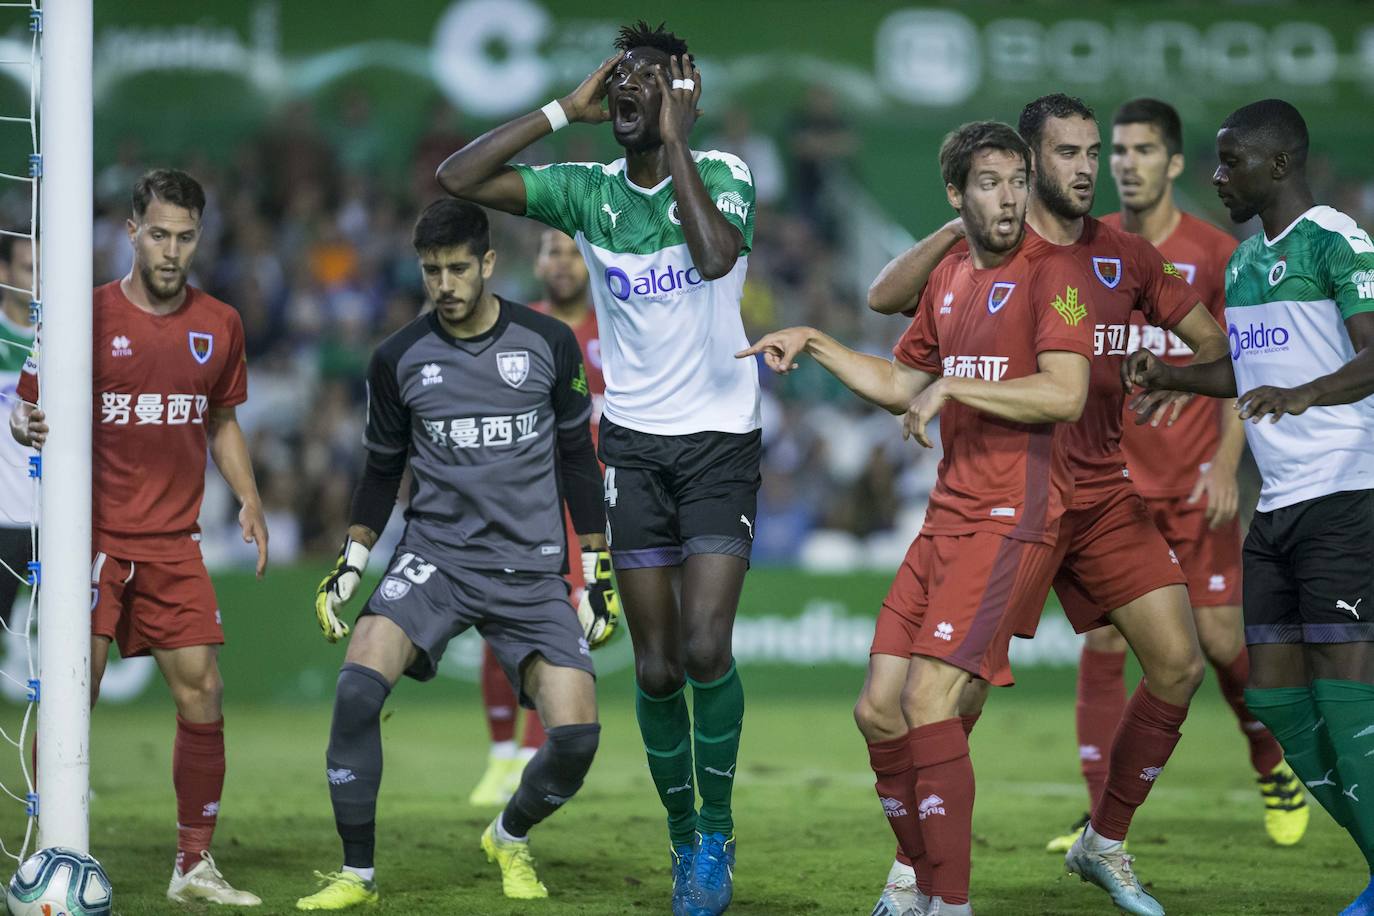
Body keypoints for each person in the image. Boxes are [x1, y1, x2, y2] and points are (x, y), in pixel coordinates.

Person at [867, 95, 1231, 916]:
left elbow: (1214, 346)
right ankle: (913, 869)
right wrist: (961, 220)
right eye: (1067, 154)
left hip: (1100, 494)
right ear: (1030, 165)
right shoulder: (993, 249)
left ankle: (1103, 842)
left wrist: (1172, 375)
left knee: (1179, 663)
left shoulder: (1127, 256)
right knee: (952, 699)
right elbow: (886, 296)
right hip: (1010, 498)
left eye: (1092, 152)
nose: (1087, 169)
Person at [436, 21, 760, 916]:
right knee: (656, 669)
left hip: (721, 442)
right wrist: (557, 110)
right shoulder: (587, 193)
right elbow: (456, 180)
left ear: (683, 93)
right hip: (635, 446)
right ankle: (682, 835)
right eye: (618, 80)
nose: (626, 91)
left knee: (704, 648)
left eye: (647, 81)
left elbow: (712, 257)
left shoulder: (725, 173)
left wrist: (681, 144)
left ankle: (718, 829)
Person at [744, 120, 1093, 916]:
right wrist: (819, 343)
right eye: (989, 183)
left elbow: (1065, 394)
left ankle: (948, 901)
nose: (1008, 198)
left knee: (929, 704)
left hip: (1013, 516)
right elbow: (907, 381)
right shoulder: (951, 276)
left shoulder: (1057, 276)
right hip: (947, 518)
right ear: (956, 196)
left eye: (1017, 180)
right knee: (877, 709)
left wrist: (959, 389)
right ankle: (916, 875)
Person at [296, 200, 615, 909]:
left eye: (457, 269)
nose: (444, 283)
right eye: (432, 270)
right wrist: (352, 559)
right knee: (355, 691)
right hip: (435, 558)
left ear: (488, 264)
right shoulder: (398, 358)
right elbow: (381, 470)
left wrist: (595, 568)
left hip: (530, 566)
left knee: (577, 738)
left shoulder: (548, 342)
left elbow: (577, 459)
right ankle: (358, 875)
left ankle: (508, 835)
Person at [1124, 98, 1374, 916]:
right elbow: (1240, 371)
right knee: (1271, 698)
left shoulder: (1335, 240)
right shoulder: (1239, 264)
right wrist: (1171, 376)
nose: (1217, 176)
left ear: (1278, 165)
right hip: (1278, 513)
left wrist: (1304, 394)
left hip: (1346, 493)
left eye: (1229, 163)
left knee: (1345, 699)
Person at [1043, 97, 1307, 853]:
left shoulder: (1216, 253)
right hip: (1106, 488)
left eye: (1141, 151)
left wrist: (1227, 463)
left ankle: (1269, 761)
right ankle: (1100, 821)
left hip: (1194, 487)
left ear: (1175, 163)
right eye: (1115, 151)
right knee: (1102, 645)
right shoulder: (1084, 251)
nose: (1124, 164)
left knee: (1222, 643)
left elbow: (1244, 360)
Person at [9, 169, 268, 905]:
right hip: (90, 540)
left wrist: (249, 497)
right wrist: (24, 423)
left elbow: (221, 420)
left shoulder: (218, 324)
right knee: (71, 695)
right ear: (131, 232)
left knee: (204, 691)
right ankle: (42, 849)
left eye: (185, 237)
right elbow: (25, 408)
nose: (171, 250)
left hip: (173, 541)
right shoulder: (80, 317)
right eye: (159, 234)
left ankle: (193, 865)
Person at [468, 228, 607, 808]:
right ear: (539, 260)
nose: (565, 262)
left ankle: (529, 754)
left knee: (557, 618)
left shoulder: (619, 331)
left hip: (591, 501)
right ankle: (503, 756)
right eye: (554, 250)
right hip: (523, 496)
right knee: (495, 622)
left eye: (576, 252)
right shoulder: (518, 331)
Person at [0, 237, 35, 650]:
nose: (39, 281)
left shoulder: (67, 340)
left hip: (60, 521)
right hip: (3, 520)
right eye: (29, 269)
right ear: (5, 273)